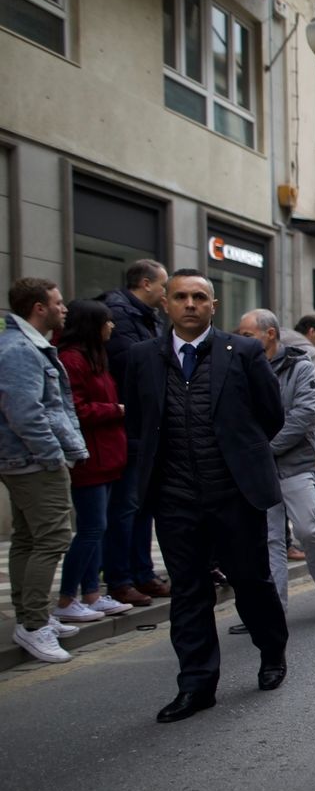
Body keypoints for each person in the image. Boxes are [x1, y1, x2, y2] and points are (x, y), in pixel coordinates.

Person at [121, 271, 287, 722]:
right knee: (189, 592)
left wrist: (237, 454)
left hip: (234, 493)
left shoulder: (243, 352)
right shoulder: (142, 357)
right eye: (181, 297)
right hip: (175, 497)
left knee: (251, 582)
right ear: (166, 304)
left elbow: (270, 415)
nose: (190, 304)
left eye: (199, 297)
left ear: (213, 306)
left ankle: (272, 651)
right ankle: (196, 685)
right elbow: (138, 423)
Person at [235, 309, 315, 623]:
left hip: (294, 464)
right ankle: (275, 611)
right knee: (271, 539)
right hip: (259, 470)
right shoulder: (240, 367)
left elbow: (306, 414)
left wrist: (265, 448)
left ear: (269, 334)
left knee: (309, 530)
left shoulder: (301, 366)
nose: (241, 341)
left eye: (247, 335)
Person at [1, 278, 87, 663]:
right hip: (33, 461)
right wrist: (53, 456)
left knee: (28, 537)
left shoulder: (28, 345)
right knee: (53, 537)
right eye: (58, 302)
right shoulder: (21, 349)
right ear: (39, 308)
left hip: (27, 459)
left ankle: (30, 617)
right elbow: (26, 413)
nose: (63, 308)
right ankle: (34, 625)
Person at [54, 299, 131, 626]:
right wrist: (116, 410)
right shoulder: (72, 360)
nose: (112, 326)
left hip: (107, 455)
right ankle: (66, 598)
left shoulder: (95, 357)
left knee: (98, 528)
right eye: (107, 321)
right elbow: (76, 408)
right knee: (90, 528)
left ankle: (91, 594)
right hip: (90, 458)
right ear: (92, 325)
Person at [100, 258, 170, 608]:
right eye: (164, 285)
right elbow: (134, 363)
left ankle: (143, 573)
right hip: (128, 426)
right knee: (126, 506)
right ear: (145, 284)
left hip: (147, 425)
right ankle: (120, 578)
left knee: (143, 504)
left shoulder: (148, 317)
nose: (166, 293)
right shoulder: (119, 315)